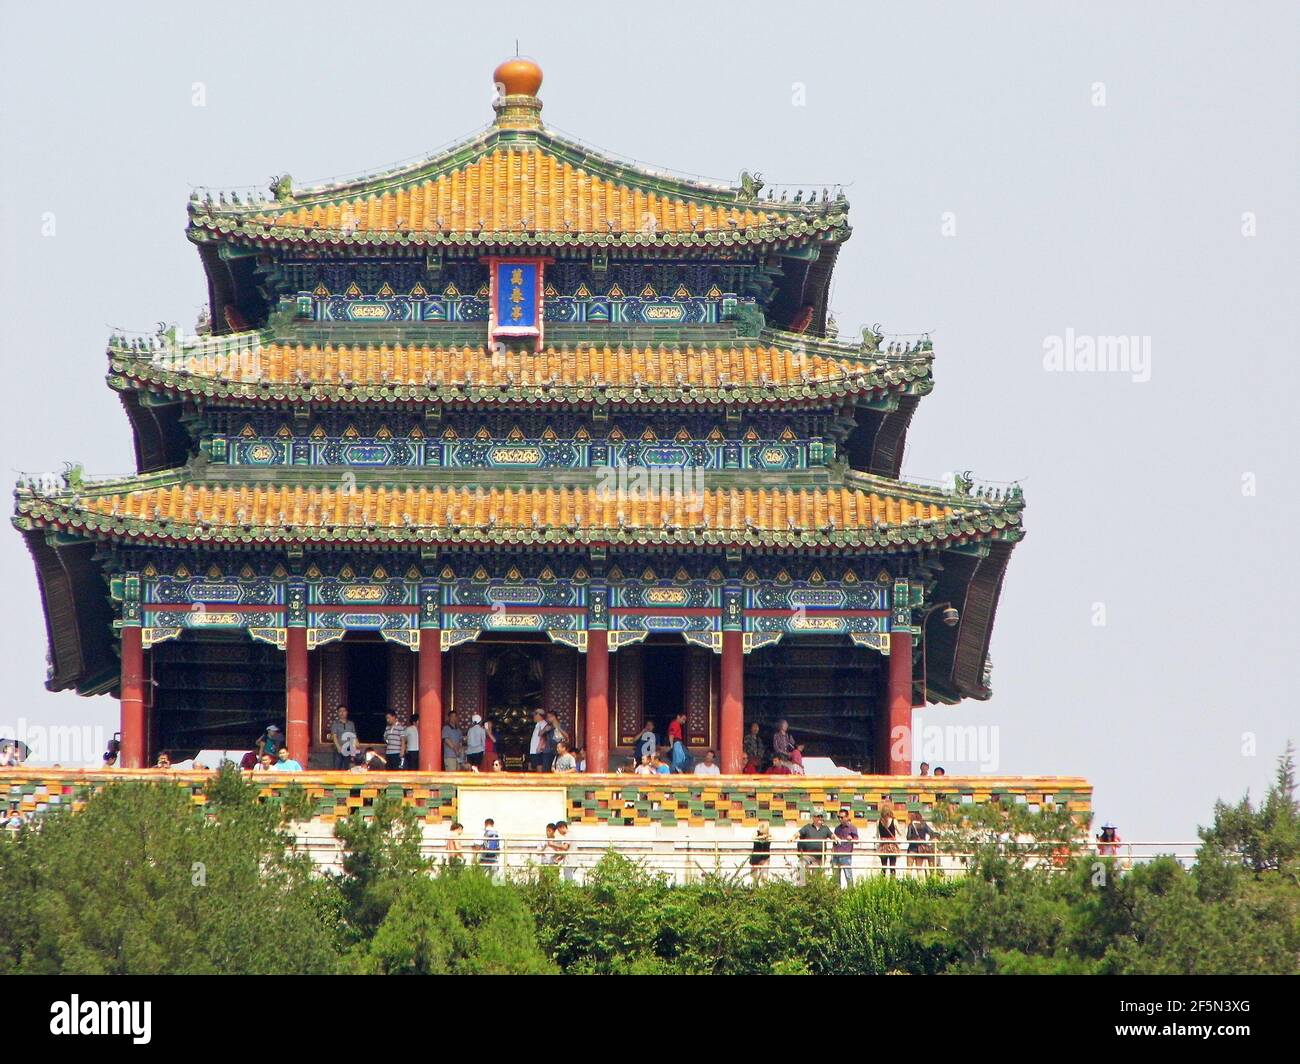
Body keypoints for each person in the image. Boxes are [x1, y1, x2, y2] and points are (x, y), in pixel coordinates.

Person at [795, 812, 834, 883]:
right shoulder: (807, 827)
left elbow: (832, 835)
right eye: (818, 816)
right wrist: (793, 837)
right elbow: (798, 833)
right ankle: (801, 885)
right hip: (808, 855)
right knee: (801, 864)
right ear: (813, 818)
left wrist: (836, 838)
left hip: (820, 856)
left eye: (821, 816)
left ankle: (815, 890)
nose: (820, 818)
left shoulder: (825, 828)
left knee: (817, 876)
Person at [832, 808, 859, 887]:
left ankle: (850, 892)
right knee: (835, 876)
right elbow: (835, 841)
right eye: (839, 817)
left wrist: (851, 839)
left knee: (848, 875)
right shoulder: (837, 828)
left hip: (846, 855)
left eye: (842, 817)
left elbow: (857, 840)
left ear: (847, 817)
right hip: (836, 855)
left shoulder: (852, 828)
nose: (840, 819)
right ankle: (836, 893)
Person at [327, 705, 358, 770]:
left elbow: (353, 736)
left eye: (344, 711)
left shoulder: (351, 724)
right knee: (337, 769)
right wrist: (338, 747)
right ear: (337, 713)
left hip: (348, 750)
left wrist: (354, 748)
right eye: (340, 711)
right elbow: (334, 736)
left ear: (347, 712)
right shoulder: (335, 724)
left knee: (348, 769)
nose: (342, 713)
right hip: (338, 750)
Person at [906, 809, 936, 874]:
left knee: (909, 868)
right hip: (921, 850)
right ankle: (920, 883)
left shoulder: (911, 825)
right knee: (919, 869)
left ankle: (908, 883)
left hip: (912, 849)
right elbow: (932, 833)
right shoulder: (924, 824)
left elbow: (908, 837)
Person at [877, 802, 900, 876]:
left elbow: (877, 835)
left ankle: (882, 882)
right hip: (892, 845)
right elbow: (900, 833)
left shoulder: (879, 822)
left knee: (883, 866)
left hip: (883, 845)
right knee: (892, 866)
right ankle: (893, 883)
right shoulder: (894, 821)